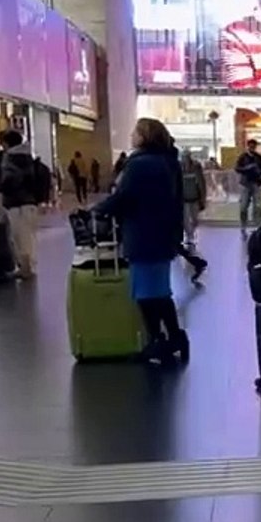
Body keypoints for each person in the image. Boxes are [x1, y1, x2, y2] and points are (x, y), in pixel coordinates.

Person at [96, 118, 189, 364]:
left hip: (143, 233)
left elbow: (125, 196)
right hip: (163, 233)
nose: (131, 136)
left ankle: (157, 340)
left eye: (135, 132)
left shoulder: (140, 164)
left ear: (144, 136)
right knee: (159, 291)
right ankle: (174, 337)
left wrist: (99, 209)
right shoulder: (168, 161)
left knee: (146, 293)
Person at [0, 131, 40, 278]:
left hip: (16, 202)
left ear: (6, 143)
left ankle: (25, 268)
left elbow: (10, 180)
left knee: (19, 236)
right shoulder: (27, 157)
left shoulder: (10, 158)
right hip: (30, 201)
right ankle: (28, 267)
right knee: (27, 235)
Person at [177, 150, 210, 282]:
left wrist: (203, 198)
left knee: (195, 219)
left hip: (194, 198)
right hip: (184, 199)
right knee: (186, 220)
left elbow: (201, 183)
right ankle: (189, 236)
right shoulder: (179, 168)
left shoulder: (196, 167)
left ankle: (191, 235)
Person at [235, 139, 261, 235]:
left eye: (253, 146)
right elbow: (237, 168)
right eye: (250, 146)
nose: (252, 148)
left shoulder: (259, 158)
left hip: (256, 183)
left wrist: (258, 171)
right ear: (248, 146)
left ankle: (257, 225)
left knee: (258, 206)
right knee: (243, 206)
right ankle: (243, 224)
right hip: (246, 184)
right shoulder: (243, 157)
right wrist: (246, 169)